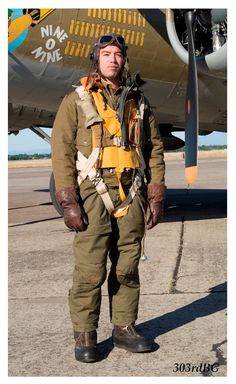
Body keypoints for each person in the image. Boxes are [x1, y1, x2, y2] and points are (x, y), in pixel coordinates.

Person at [51, 33, 166, 363]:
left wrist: (155, 196)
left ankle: (124, 328)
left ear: (123, 60)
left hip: (131, 191)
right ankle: (85, 334)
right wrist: (68, 201)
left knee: (127, 265)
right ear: (96, 59)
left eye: (118, 54)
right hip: (91, 192)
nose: (112, 59)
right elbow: (61, 152)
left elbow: (154, 150)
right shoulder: (76, 100)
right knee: (90, 269)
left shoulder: (138, 102)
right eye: (106, 54)